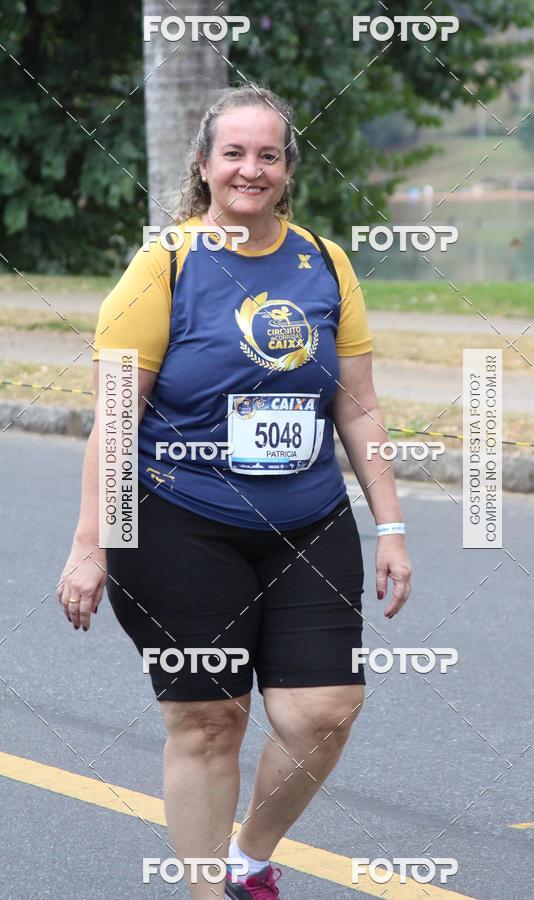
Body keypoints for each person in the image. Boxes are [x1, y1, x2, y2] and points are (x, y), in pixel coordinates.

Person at [57, 82, 412, 899]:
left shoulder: (325, 262)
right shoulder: (164, 265)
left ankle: (249, 857)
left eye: (268, 155)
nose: (251, 169)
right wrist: (90, 544)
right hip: (176, 519)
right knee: (210, 719)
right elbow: (115, 420)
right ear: (204, 165)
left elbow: (357, 405)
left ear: (288, 168)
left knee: (325, 709)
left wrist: (391, 526)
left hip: (308, 519)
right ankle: (203, 891)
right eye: (234, 153)